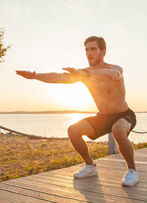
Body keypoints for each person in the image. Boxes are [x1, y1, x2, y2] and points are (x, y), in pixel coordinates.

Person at [15, 36, 138, 186]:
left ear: (103, 51)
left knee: (118, 130)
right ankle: (90, 166)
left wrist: (85, 74)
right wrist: (35, 76)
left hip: (124, 115)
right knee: (73, 130)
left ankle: (132, 170)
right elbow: (59, 78)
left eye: (93, 49)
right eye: (86, 50)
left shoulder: (114, 68)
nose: (89, 53)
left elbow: (111, 75)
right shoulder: (83, 73)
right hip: (103, 117)